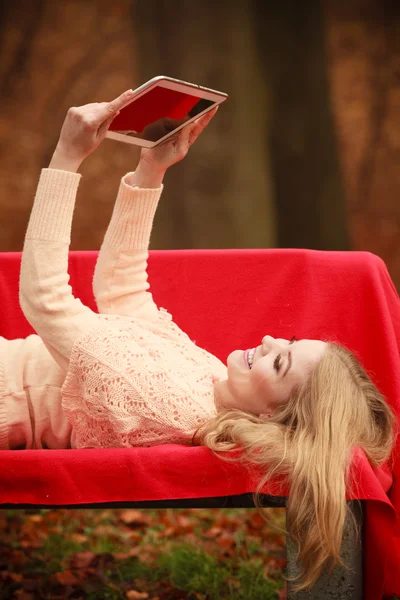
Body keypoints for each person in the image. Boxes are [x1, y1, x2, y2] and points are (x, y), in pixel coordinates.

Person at [0, 89, 396, 593]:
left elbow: (45, 298)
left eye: (279, 365)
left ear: (274, 416)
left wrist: (67, 156)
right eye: (288, 342)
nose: (270, 340)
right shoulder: (211, 383)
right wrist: (151, 170)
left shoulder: (166, 404)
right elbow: (122, 292)